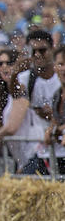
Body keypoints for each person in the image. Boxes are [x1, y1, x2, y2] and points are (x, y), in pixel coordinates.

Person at [16, 30, 62, 173]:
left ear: (52, 49)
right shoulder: (26, 78)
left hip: (59, 148)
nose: (37, 55)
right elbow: (15, 96)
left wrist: (54, 120)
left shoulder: (59, 79)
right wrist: (14, 73)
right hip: (39, 151)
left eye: (42, 50)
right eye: (33, 51)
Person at [0, 49, 30, 172]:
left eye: (9, 63)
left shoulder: (22, 87)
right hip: (21, 159)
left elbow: (12, 126)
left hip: (33, 153)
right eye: (0, 64)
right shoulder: (5, 93)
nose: (4, 67)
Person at [38, 46, 65, 176]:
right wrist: (51, 129)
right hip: (59, 155)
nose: (64, 69)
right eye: (61, 64)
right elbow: (57, 119)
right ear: (55, 67)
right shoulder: (57, 94)